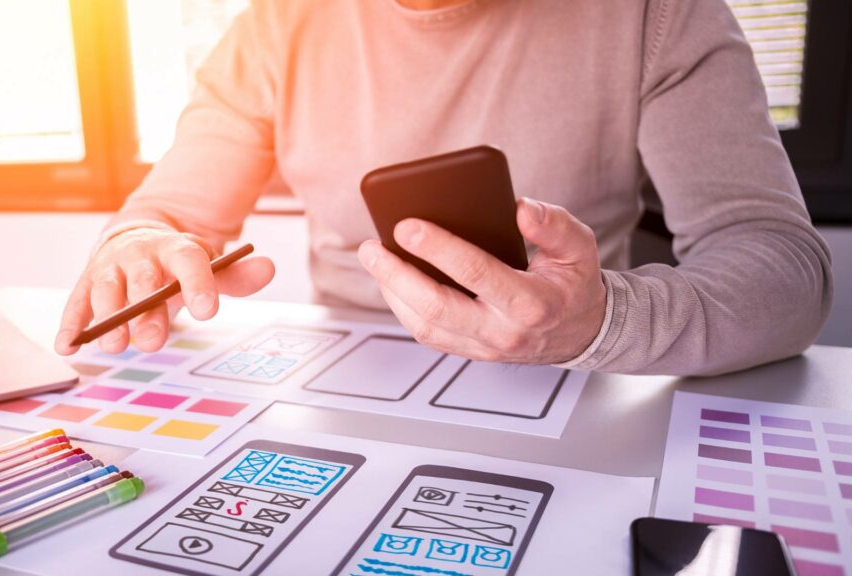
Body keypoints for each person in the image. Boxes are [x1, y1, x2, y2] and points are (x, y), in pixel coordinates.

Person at [55, 0, 833, 376]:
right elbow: (172, 211)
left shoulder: (657, 11)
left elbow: (784, 273)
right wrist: (137, 244)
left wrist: (603, 323)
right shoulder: (275, 24)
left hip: (578, 383)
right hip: (346, 389)